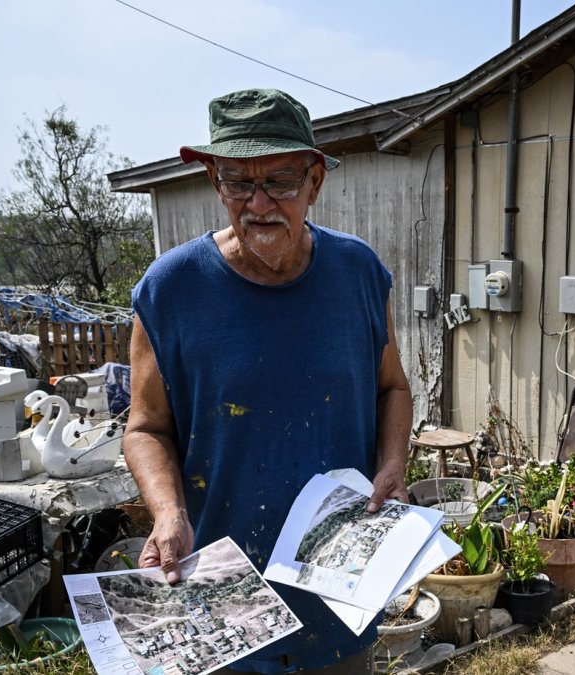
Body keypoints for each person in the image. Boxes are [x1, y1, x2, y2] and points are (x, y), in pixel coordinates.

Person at [124, 88, 413, 674]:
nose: (259, 204)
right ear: (215, 183)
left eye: (280, 181)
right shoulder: (171, 290)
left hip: (339, 595)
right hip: (226, 597)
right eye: (237, 183)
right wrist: (168, 513)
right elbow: (146, 427)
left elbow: (393, 388)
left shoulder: (358, 272)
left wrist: (392, 463)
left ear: (314, 182)